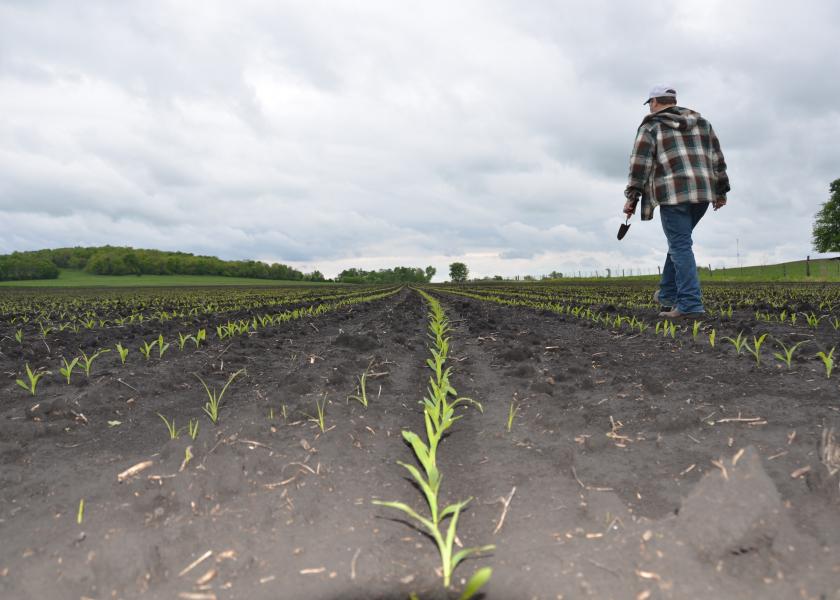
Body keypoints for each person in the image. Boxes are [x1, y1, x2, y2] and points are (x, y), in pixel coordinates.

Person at [623, 84, 730, 318]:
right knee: (679, 242)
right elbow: (717, 158)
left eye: (650, 103)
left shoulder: (651, 125)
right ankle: (667, 295)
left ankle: (690, 304)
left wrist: (632, 197)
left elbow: (640, 164)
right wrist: (721, 191)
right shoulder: (702, 123)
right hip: (702, 192)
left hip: (672, 194)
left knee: (680, 245)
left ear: (654, 102)